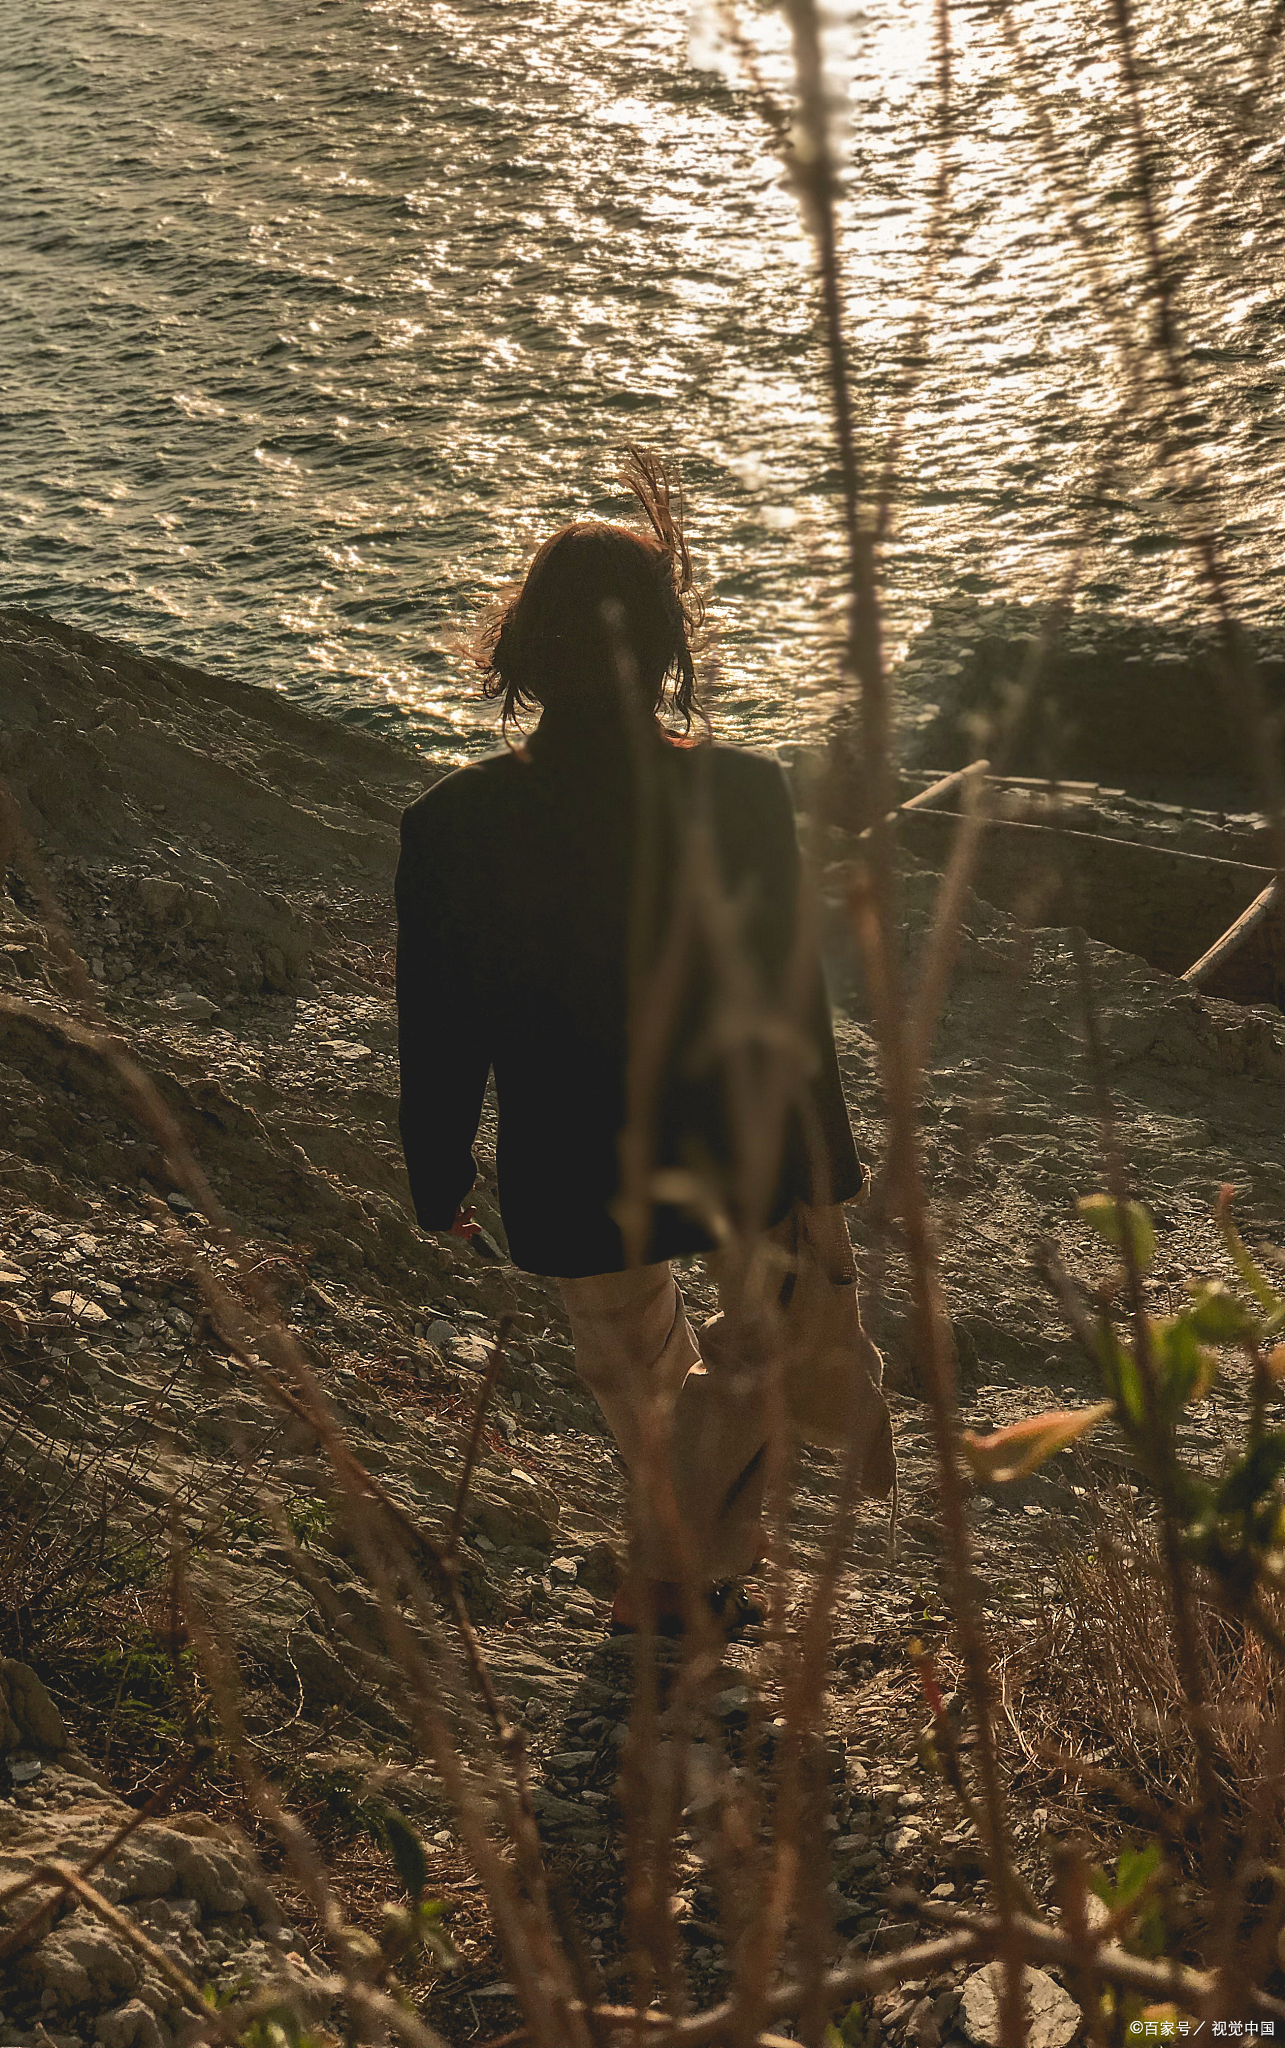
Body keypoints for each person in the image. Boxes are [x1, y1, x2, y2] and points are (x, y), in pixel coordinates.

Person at [394, 451, 894, 1636]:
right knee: (757, 1363)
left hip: (575, 1171)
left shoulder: (453, 823)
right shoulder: (744, 793)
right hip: (743, 1150)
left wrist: (438, 1174)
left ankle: (676, 1574)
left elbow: (440, 1023)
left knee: (641, 1387)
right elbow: (790, 996)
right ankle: (682, 1573)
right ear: (669, 648)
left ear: (523, 652)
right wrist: (827, 1165)